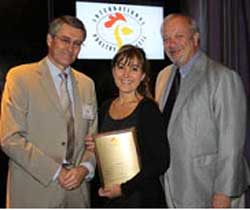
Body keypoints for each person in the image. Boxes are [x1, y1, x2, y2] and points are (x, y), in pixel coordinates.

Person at [0, 15, 97, 208]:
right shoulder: (20, 77)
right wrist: (56, 172)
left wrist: (85, 169)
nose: (71, 48)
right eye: (65, 40)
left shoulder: (87, 84)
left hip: (77, 195)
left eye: (77, 43)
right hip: (34, 192)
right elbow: (10, 139)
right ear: (49, 39)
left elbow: (92, 141)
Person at [155, 13, 250, 208]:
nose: (171, 44)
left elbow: (232, 142)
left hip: (208, 188)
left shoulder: (223, 77)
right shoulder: (163, 76)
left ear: (195, 38)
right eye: (166, 39)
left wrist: (224, 192)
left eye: (178, 36)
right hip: (171, 184)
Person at [87, 44, 170, 208]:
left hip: (142, 199)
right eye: (121, 67)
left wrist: (124, 188)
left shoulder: (148, 109)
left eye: (134, 68)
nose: (126, 74)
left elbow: (161, 161)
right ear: (113, 71)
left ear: (142, 75)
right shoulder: (104, 107)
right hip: (110, 199)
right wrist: (96, 146)